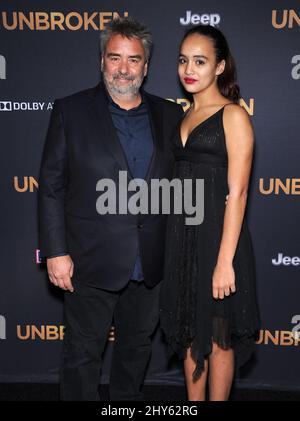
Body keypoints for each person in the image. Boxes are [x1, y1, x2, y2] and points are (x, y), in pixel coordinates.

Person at [38, 17, 183, 401]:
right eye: (115, 58)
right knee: (82, 356)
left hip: (151, 262)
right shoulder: (70, 110)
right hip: (89, 260)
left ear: (146, 66)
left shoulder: (169, 114)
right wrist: (55, 251)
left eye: (133, 60)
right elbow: (51, 186)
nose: (124, 68)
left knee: (135, 353)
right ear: (102, 60)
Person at [160, 25, 260, 401]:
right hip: (181, 238)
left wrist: (224, 262)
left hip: (218, 241)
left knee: (219, 336)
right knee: (188, 331)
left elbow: (238, 193)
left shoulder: (233, 116)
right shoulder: (182, 117)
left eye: (200, 61)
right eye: (184, 60)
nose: (189, 68)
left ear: (220, 67)